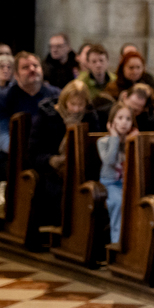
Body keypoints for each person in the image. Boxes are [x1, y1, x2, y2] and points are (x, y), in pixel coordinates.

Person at [28, 81, 101, 224]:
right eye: (72, 104)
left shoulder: (90, 117)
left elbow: (95, 149)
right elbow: (33, 153)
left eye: (80, 105)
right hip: (50, 171)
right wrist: (51, 160)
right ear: (64, 100)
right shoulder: (48, 115)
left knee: (92, 192)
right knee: (60, 193)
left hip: (80, 170)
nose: (76, 109)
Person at [0, 52, 61, 155]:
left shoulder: (56, 95)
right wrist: (19, 152)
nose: (32, 69)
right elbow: (2, 132)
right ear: (16, 75)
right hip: (15, 153)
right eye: (25, 67)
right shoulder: (4, 97)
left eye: (35, 66)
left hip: (48, 152)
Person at [98, 102, 139, 244]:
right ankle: (117, 241)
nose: (124, 122)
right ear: (112, 121)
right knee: (118, 202)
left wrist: (134, 141)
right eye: (120, 118)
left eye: (128, 119)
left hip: (129, 184)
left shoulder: (133, 142)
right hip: (110, 184)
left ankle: (135, 242)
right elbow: (109, 161)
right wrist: (114, 137)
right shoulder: (103, 142)